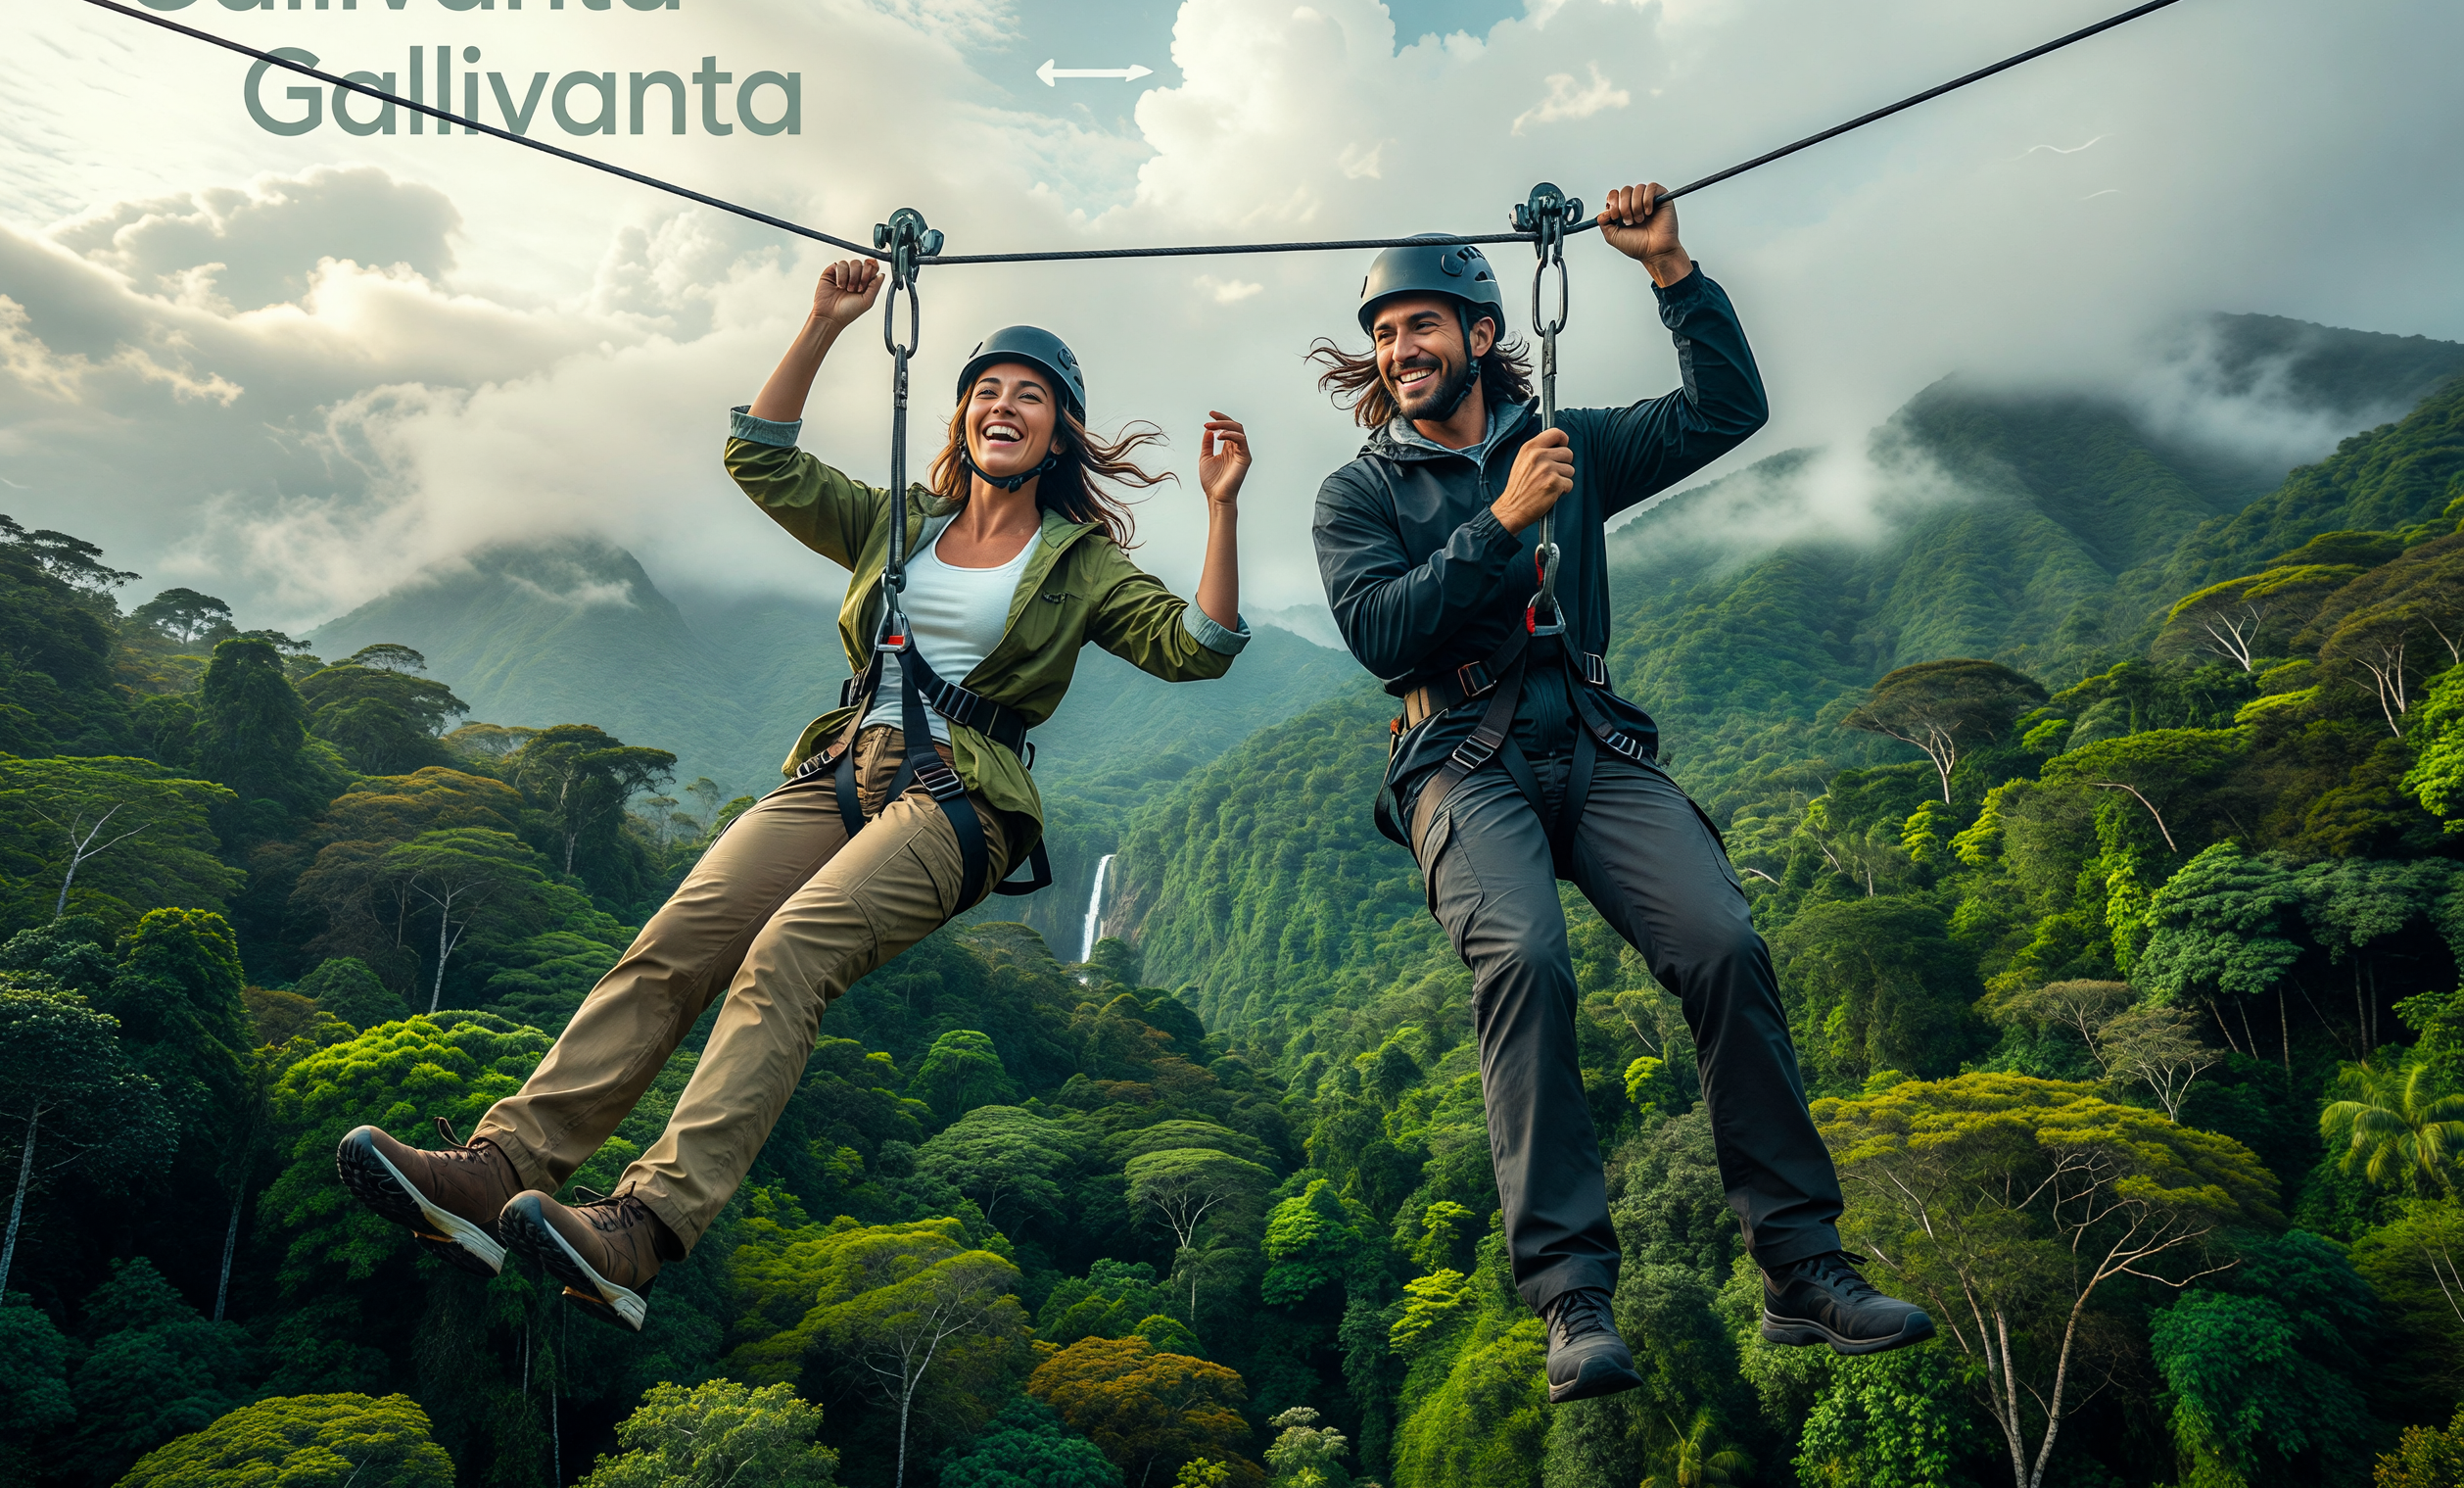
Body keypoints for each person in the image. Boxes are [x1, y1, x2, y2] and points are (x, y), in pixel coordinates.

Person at [336, 255, 1255, 1331]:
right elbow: (758, 459)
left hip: (959, 800)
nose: (1005, 406)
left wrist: (1221, 511)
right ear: (959, 417)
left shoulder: (1078, 563)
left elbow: (1200, 647)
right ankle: (501, 1166)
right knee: (678, 940)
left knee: (789, 952)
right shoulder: (893, 521)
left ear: (1058, 434)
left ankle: (644, 1228)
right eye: (988, 391)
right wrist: (821, 325)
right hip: (837, 769)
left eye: (1031, 397)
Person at [1308, 179, 1931, 1403]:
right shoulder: (1362, 493)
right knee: (1525, 962)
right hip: (1457, 759)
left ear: (1480, 337)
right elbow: (1383, 635)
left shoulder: (1570, 446)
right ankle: (1572, 1298)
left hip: (1589, 738)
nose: (1399, 351)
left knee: (1721, 942)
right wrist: (1500, 519)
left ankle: (1802, 1269)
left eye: (1420, 327)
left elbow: (1724, 410)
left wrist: (1669, 271)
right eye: (1383, 336)